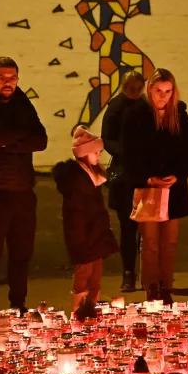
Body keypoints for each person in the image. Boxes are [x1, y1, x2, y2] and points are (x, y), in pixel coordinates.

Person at [0, 56, 48, 312]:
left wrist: (7, 141)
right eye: (2, 77)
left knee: (21, 254)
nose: (8, 82)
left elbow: (41, 140)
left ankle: (18, 303)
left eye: (12, 77)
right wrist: (18, 137)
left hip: (22, 191)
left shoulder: (23, 104)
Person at [122, 68, 188, 303]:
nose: (163, 96)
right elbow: (129, 153)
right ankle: (152, 286)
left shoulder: (179, 115)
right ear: (149, 90)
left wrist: (178, 175)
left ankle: (166, 285)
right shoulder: (136, 115)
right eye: (158, 91)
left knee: (170, 242)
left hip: (173, 188)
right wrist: (148, 178)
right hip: (149, 188)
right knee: (150, 241)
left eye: (168, 91)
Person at [52, 126, 118, 312]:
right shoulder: (76, 182)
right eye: (95, 152)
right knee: (84, 275)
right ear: (84, 154)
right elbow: (76, 215)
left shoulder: (92, 177)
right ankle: (79, 310)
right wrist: (80, 240)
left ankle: (91, 308)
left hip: (95, 235)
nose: (99, 155)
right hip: (84, 237)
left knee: (96, 276)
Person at [101, 70, 145, 293]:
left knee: (140, 229)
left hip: (138, 174)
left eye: (138, 89)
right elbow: (107, 139)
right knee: (129, 228)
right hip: (127, 175)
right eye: (132, 90)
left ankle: (142, 273)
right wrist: (127, 153)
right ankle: (129, 272)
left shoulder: (138, 106)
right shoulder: (117, 108)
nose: (135, 93)